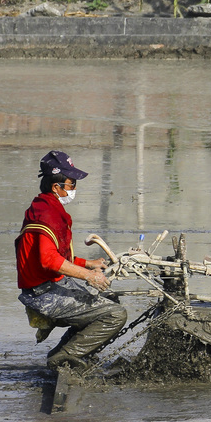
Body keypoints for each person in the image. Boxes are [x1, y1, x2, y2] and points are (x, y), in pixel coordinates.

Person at [16, 150, 127, 369]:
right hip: (43, 293)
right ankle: (63, 357)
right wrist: (89, 276)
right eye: (71, 184)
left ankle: (67, 352)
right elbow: (49, 260)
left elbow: (57, 255)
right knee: (115, 315)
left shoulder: (46, 206)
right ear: (56, 187)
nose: (74, 188)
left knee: (110, 298)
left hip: (48, 284)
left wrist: (89, 264)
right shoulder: (48, 214)